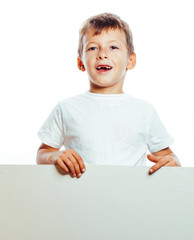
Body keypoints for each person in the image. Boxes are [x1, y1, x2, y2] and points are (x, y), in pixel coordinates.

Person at [36, 12, 181, 178]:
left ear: (130, 61)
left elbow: (169, 156)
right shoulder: (66, 108)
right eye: (92, 48)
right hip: (80, 199)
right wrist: (54, 156)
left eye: (113, 47)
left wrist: (173, 162)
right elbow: (43, 153)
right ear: (81, 63)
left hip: (130, 198)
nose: (102, 54)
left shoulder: (144, 111)